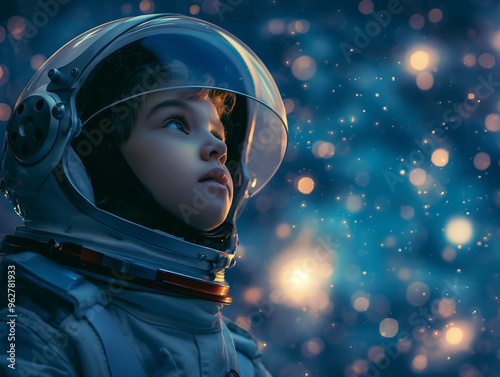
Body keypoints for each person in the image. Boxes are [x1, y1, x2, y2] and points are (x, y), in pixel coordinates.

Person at [0, 14, 288, 377]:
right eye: (177, 124)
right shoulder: (33, 333)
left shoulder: (241, 359)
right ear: (98, 160)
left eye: (219, 133)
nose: (217, 148)